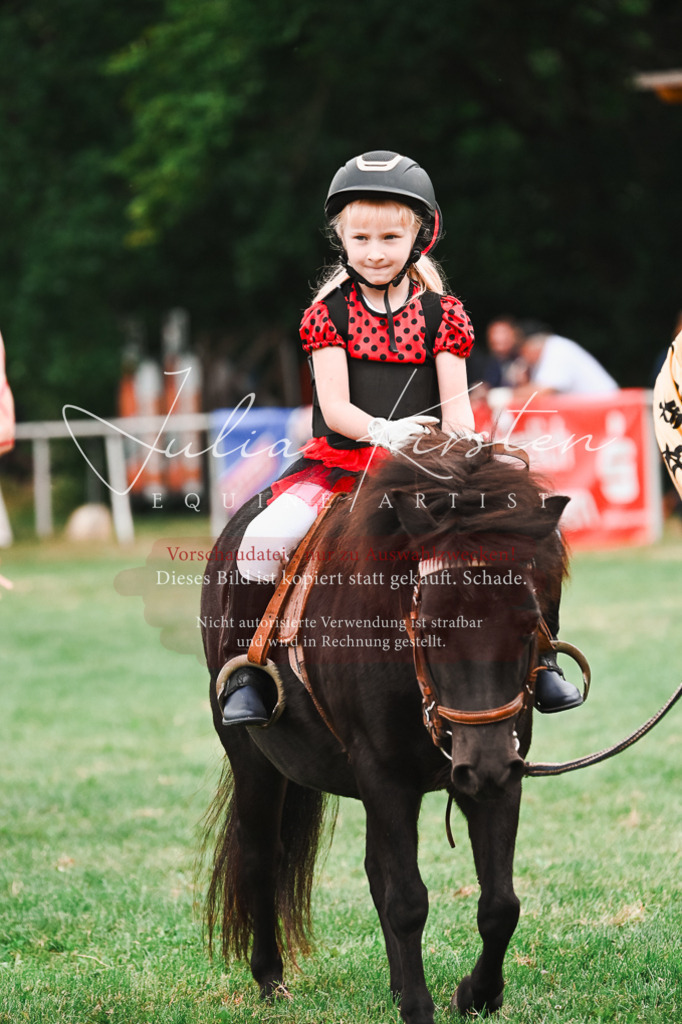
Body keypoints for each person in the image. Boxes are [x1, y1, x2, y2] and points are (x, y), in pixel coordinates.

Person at [219, 151, 582, 725]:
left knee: (525, 531)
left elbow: (457, 410)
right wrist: (384, 431)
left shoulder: (445, 314)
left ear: (419, 237)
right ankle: (248, 669)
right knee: (263, 539)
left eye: (390, 236)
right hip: (344, 462)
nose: (376, 250)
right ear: (341, 239)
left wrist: (473, 447)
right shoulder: (327, 315)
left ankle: (541, 661)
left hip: (429, 466)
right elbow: (335, 408)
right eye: (361, 237)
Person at [513, 325, 618, 399]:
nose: (521, 356)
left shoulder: (556, 349)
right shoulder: (550, 350)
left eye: (521, 350)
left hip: (604, 407)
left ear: (531, 346)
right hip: (591, 409)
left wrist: (505, 395)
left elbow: (543, 391)